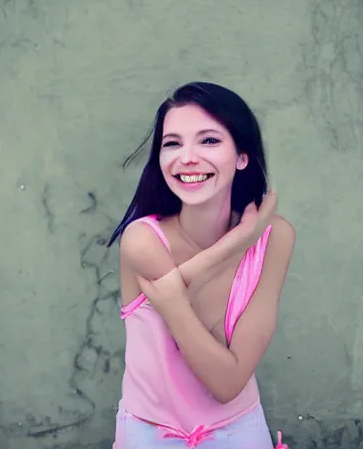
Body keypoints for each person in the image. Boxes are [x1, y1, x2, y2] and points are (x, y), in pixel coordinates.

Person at [107, 82, 296, 448]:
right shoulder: (143, 241)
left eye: (209, 140)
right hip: (149, 434)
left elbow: (227, 382)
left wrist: (173, 299)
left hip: (239, 431)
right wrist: (239, 240)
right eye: (173, 143)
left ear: (242, 156)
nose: (187, 157)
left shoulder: (276, 238)